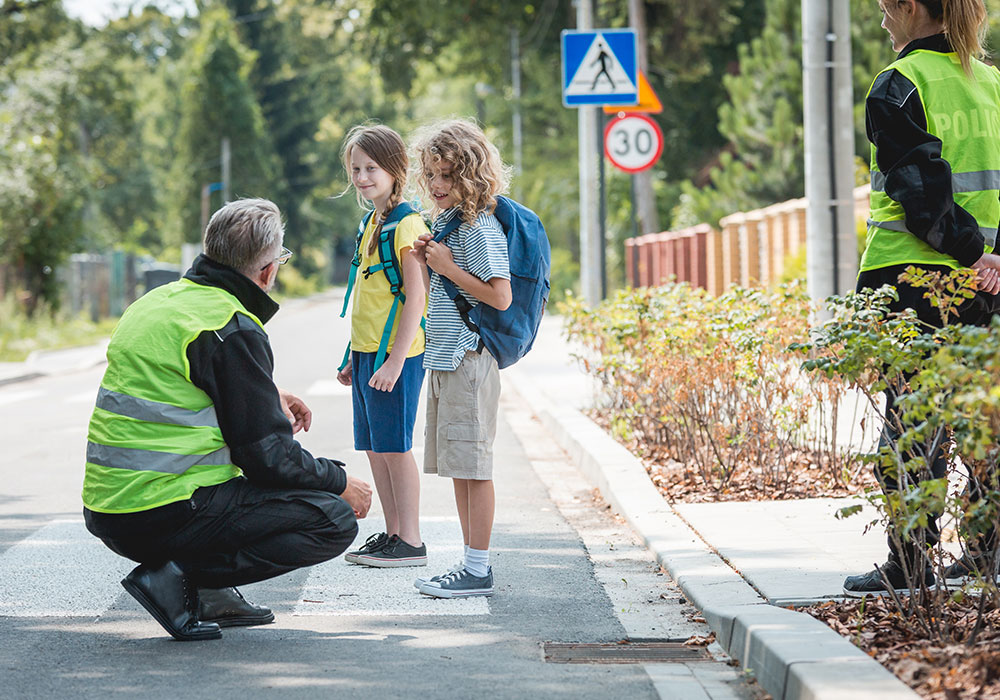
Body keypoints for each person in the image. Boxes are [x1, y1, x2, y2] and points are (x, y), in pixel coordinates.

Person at [83, 198, 373, 640]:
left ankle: (208, 590)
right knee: (332, 519)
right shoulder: (229, 326)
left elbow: (175, 383)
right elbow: (268, 459)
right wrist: (338, 481)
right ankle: (184, 577)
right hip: (167, 509)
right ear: (267, 271)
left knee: (292, 500)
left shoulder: (156, 304)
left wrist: (267, 393)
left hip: (110, 509)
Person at [844, 0, 1000, 597]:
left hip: (912, 275)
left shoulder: (898, 84)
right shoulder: (990, 83)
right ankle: (986, 553)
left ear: (912, 8)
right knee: (982, 415)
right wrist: (990, 257)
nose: (883, 19)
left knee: (914, 418)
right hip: (985, 280)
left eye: (886, 8)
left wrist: (966, 250)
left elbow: (917, 185)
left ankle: (910, 563)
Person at [409, 119, 512, 598]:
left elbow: (501, 297)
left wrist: (447, 266)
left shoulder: (479, 226)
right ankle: (471, 563)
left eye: (446, 176)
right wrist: (430, 262)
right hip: (447, 359)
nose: (436, 185)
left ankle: (479, 568)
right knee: (459, 464)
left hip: (469, 359)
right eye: (430, 175)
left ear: (471, 174)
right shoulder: (448, 223)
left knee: (475, 464)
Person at [336, 125, 430, 568]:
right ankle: (392, 533)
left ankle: (410, 539)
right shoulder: (371, 221)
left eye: (372, 167)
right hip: (367, 353)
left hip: (398, 354)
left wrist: (394, 360)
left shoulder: (408, 225)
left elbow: (417, 298)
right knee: (375, 445)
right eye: (355, 168)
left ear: (395, 170)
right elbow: (369, 297)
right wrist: (353, 357)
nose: (362, 176)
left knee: (395, 445)